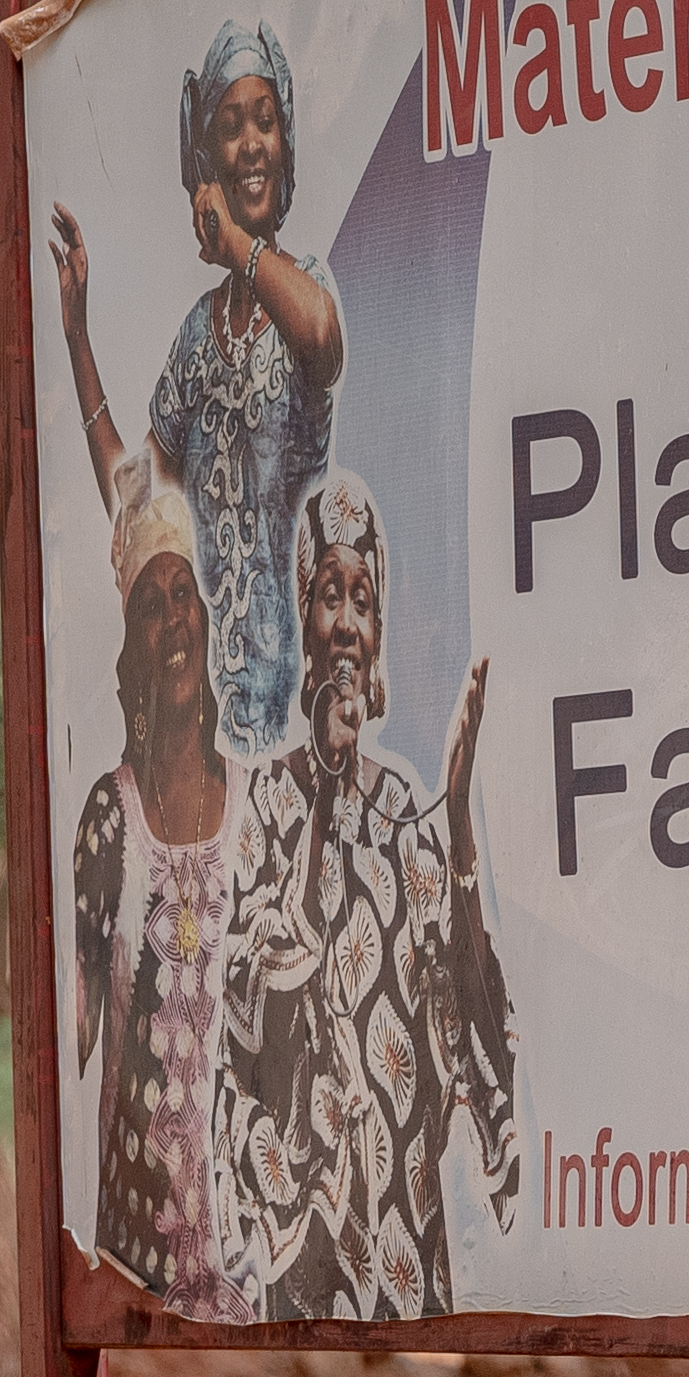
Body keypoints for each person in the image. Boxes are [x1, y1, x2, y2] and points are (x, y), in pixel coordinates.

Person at [221, 473, 520, 1318]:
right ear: (303, 620)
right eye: (327, 594)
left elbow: (473, 1018)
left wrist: (457, 820)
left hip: (413, 1268)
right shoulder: (270, 805)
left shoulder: (405, 807)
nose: (346, 621)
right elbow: (257, 1019)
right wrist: (322, 794)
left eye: (362, 598)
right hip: (313, 1280)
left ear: (379, 631)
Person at [55, 17, 342, 753]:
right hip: (211, 734)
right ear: (206, 159)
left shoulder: (303, 289)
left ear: (285, 146)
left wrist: (237, 247)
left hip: (295, 729)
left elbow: (319, 336)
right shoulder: (196, 338)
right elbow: (135, 497)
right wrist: (77, 334)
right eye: (231, 126)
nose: (251, 144)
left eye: (266, 122)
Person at [67, 466, 256, 1315]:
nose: (174, 616)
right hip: (136, 1265)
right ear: (132, 643)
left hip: (252, 1269)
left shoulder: (257, 812)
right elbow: (74, 1034)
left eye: (186, 595)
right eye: (152, 602)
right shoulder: (111, 816)